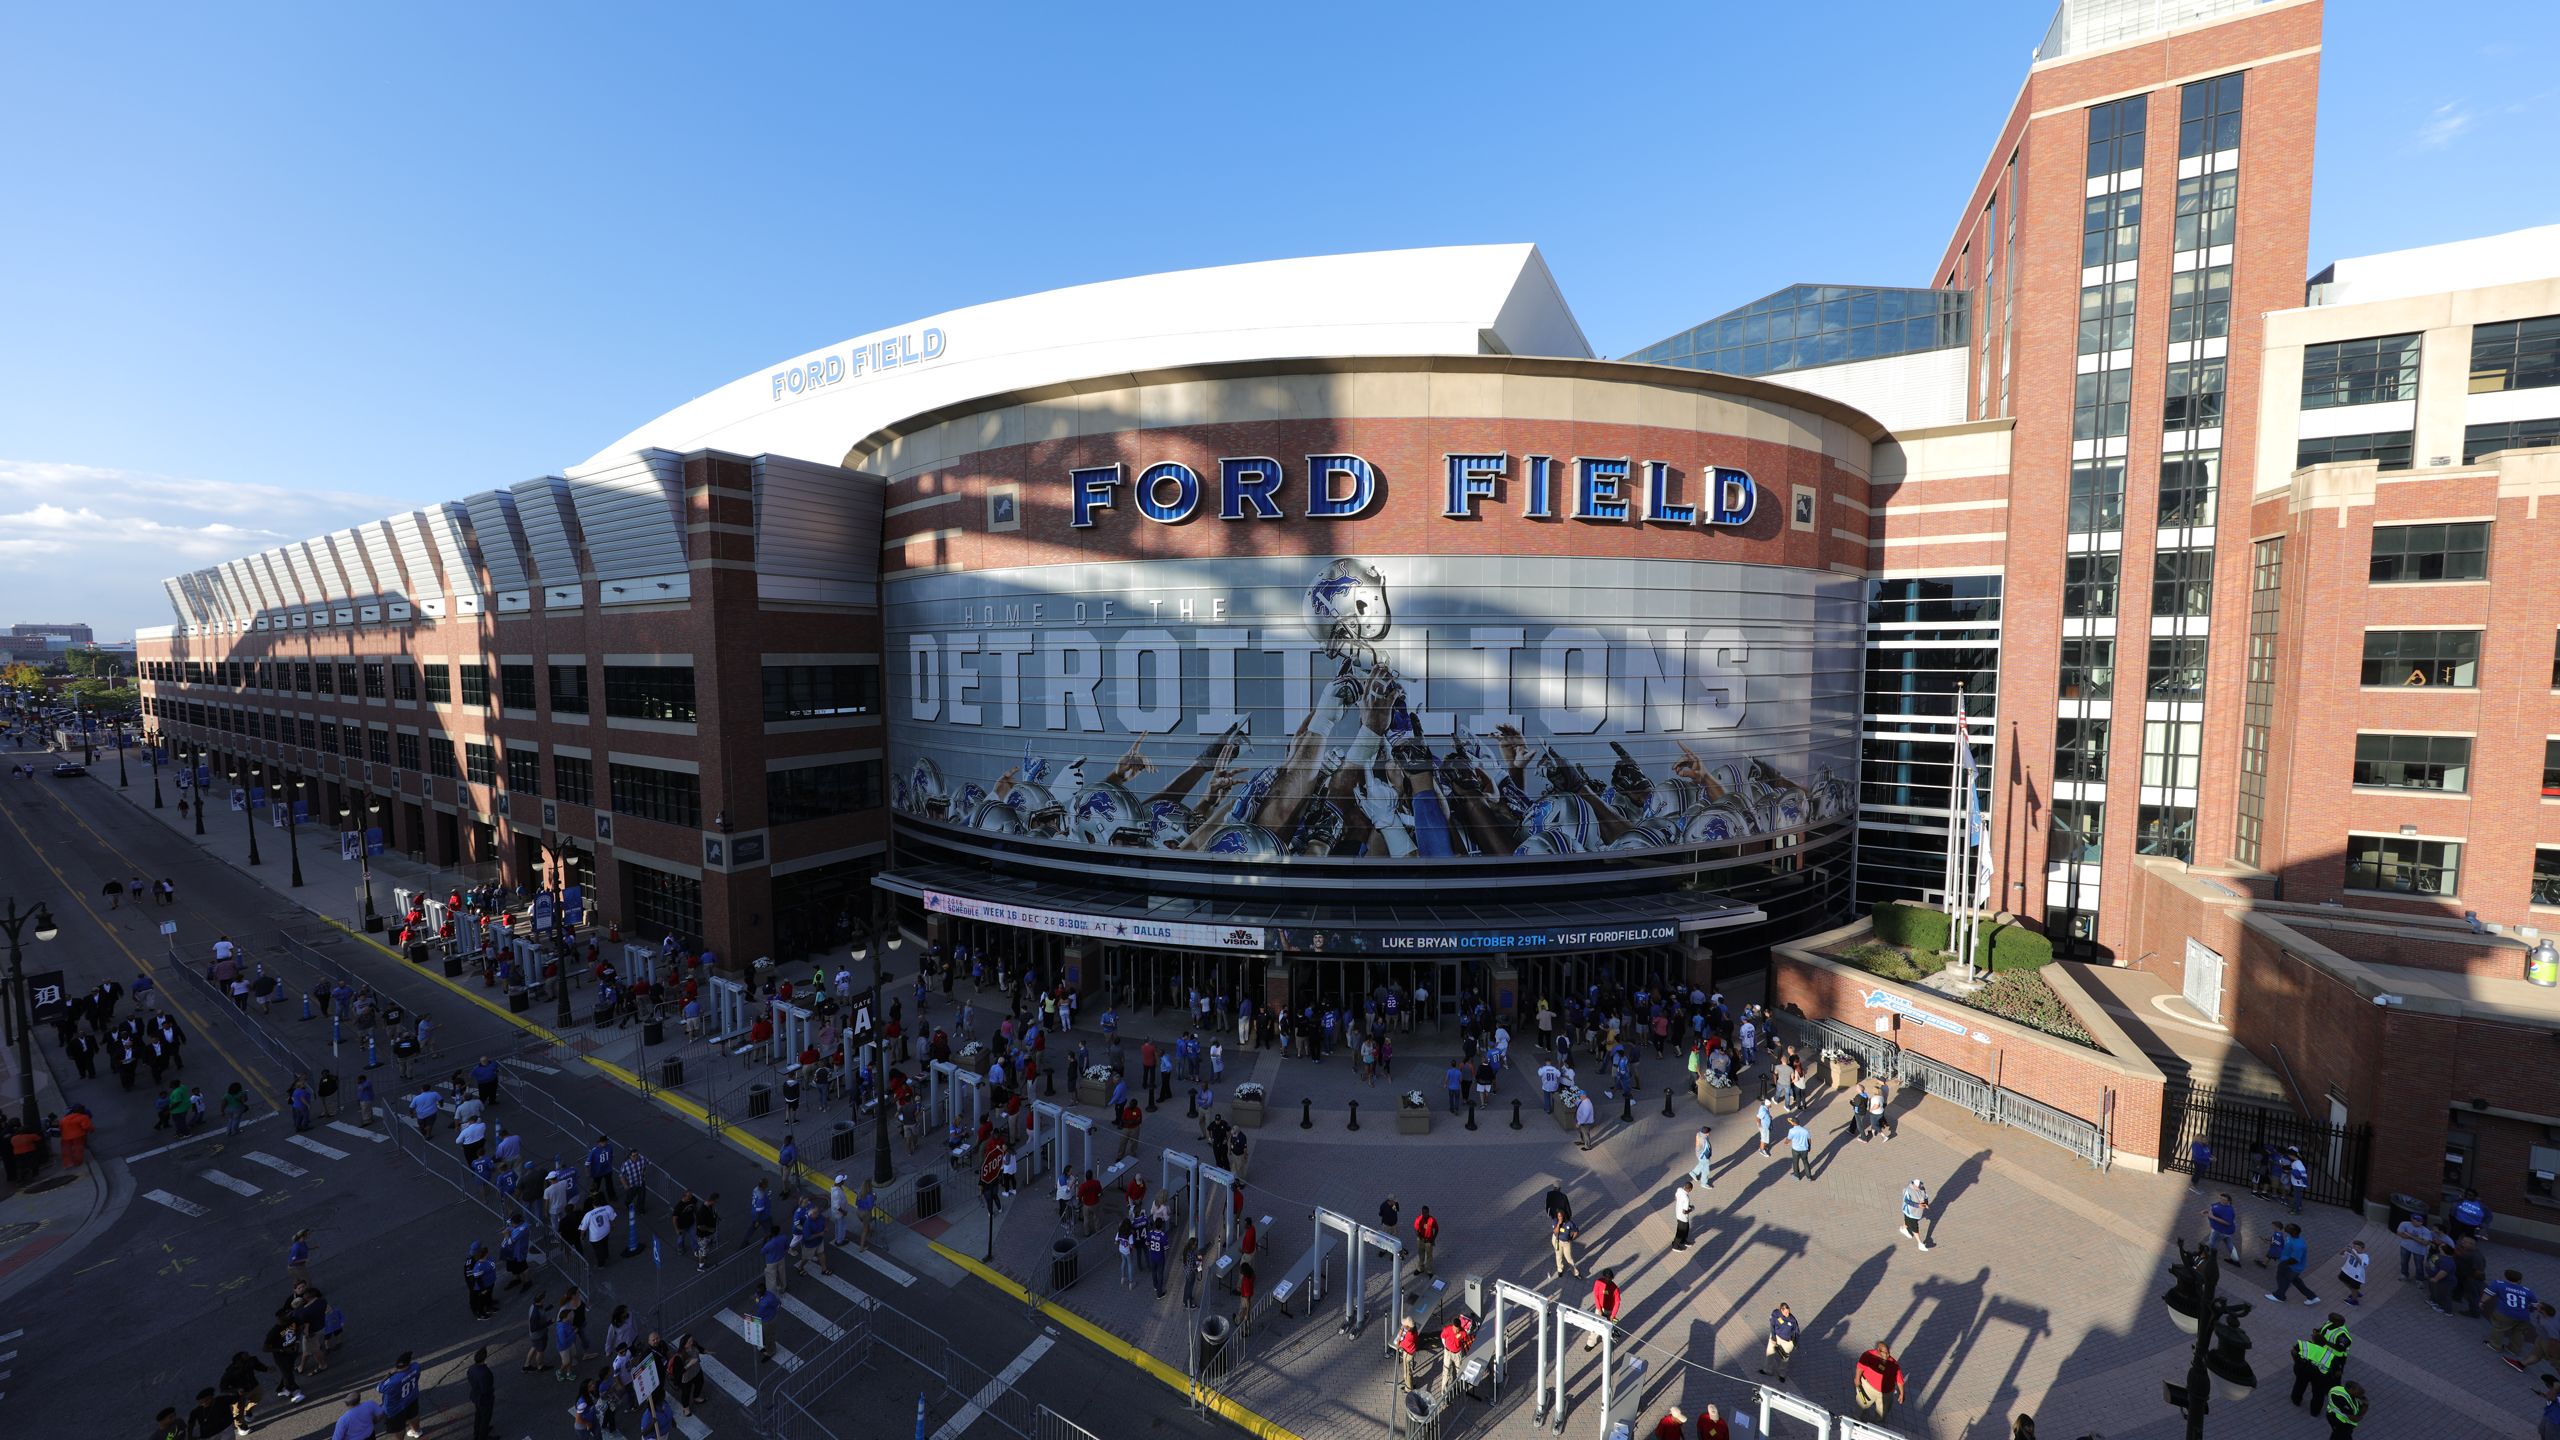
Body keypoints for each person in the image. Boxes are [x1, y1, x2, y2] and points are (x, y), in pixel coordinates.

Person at [1853, 1341, 1905, 1422]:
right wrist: (1857, 1379)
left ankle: (1877, 1423)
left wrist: (1902, 1393)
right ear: (1878, 1350)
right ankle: (1857, 1418)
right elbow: (1860, 1367)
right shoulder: (1868, 1355)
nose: (1887, 1355)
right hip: (1868, 1388)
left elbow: (1899, 1380)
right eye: (1885, 1353)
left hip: (1886, 1393)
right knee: (1861, 1404)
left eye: (1888, 1353)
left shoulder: (1893, 1364)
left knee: (1882, 1412)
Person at [1760, 1302, 1799, 1382]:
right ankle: (1767, 1370)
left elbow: (1796, 1332)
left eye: (1788, 1311)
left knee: (1784, 1359)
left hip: (1786, 1341)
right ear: (1781, 1310)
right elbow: (1772, 1325)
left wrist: (1794, 1343)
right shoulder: (1775, 1314)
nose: (1788, 1313)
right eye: (1786, 1312)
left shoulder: (1792, 1320)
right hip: (1775, 1337)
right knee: (1769, 1353)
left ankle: (1782, 1374)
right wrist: (1773, 1338)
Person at [464, 1348, 495, 1440]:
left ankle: (477, 1431)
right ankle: (483, 1436)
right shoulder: (485, 1372)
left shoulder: (471, 1368)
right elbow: (486, 1388)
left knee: (478, 1415)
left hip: (475, 1396)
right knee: (486, 1418)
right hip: (484, 1399)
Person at [2206, 1192, 2241, 1264]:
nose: (2221, 1200)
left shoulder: (2228, 1210)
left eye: (2223, 1200)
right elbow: (2215, 1210)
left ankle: (2210, 1257)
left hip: (2220, 1230)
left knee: (2212, 1243)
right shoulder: (2222, 1205)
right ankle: (2236, 1260)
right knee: (2229, 1243)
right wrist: (2207, 1212)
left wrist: (2212, 1217)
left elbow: (2227, 1223)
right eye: (2220, 1198)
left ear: (2229, 1201)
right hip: (2227, 1232)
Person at [1900, 1178, 1933, 1251]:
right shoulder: (1908, 1190)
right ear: (1914, 1185)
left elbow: (1925, 1197)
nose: (1919, 1188)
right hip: (1910, 1211)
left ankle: (1903, 1228)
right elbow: (1907, 1200)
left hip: (1918, 1211)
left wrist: (1926, 1204)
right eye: (1917, 1187)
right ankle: (1920, 1244)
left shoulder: (1922, 1188)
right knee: (1915, 1227)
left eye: (1919, 1186)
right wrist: (1918, 1205)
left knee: (1908, 1222)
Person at [1670, 1179, 1696, 1252]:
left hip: (1678, 1214)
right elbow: (1685, 1211)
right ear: (1690, 1189)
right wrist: (1691, 1209)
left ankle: (1683, 1241)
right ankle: (1675, 1246)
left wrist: (1684, 1205)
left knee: (1686, 1229)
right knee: (1680, 1232)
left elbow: (1676, 1198)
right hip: (1682, 1218)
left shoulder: (1679, 1189)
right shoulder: (1686, 1198)